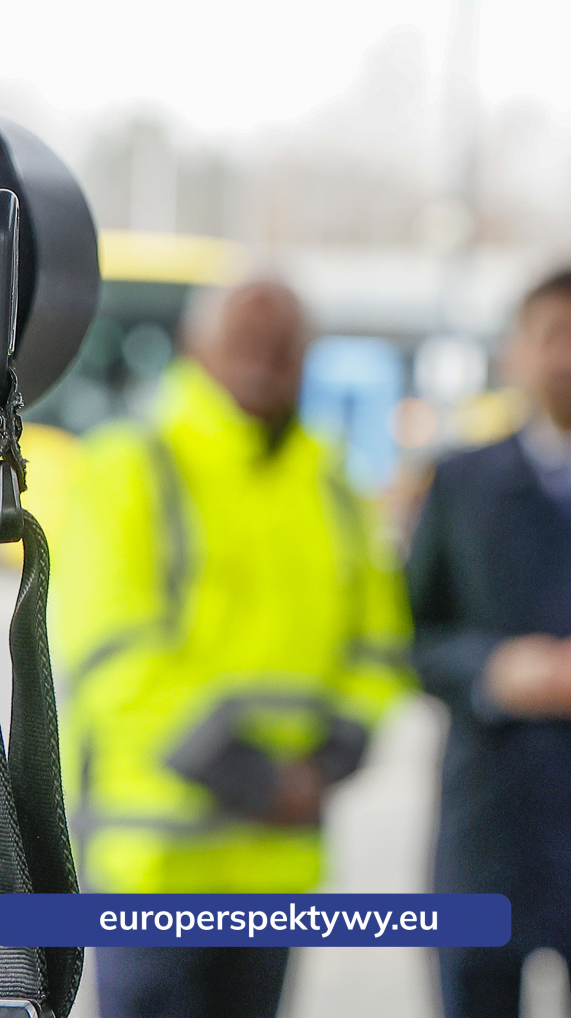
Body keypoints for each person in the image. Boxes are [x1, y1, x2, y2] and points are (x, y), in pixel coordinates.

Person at [51, 280, 412, 1018]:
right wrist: (253, 776)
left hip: (275, 866)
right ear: (196, 347)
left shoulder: (334, 481)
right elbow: (111, 656)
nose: (266, 361)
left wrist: (332, 757)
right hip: (157, 864)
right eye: (245, 340)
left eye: (285, 346)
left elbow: (379, 648)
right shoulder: (130, 464)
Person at [407, 267, 571, 1018]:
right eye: (553, 336)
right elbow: (411, 635)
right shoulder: (460, 481)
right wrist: (491, 671)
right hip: (488, 830)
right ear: (515, 353)